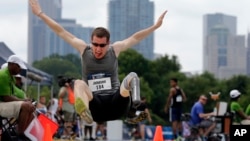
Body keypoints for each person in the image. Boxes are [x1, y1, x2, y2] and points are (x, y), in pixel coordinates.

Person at [29, 0, 167, 124]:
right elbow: (61, 32)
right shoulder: (83, 49)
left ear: (109, 44)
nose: (98, 49)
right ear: (91, 42)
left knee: (132, 76)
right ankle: (83, 112)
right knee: (78, 83)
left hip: (115, 104)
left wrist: (154, 27)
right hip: (94, 105)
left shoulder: (115, 49)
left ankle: (134, 108)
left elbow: (135, 38)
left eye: (102, 46)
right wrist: (40, 14)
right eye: (95, 44)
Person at [0, 55, 35, 138]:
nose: (20, 69)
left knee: (31, 109)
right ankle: (20, 135)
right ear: (11, 64)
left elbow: (10, 96)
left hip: (3, 103)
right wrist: (23, 100)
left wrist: (24, 101)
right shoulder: (3, 76)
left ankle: (22, 133)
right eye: (18, 66)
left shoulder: (9, 76)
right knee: (26, 106)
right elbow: (7, 98)